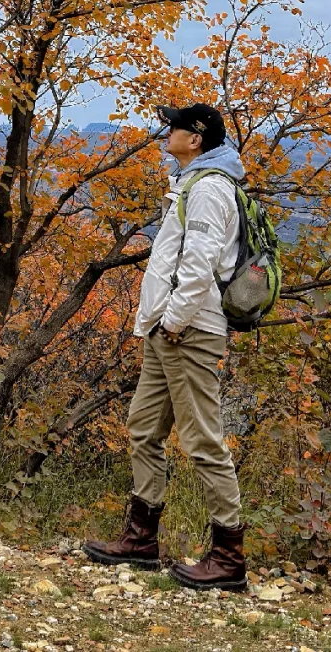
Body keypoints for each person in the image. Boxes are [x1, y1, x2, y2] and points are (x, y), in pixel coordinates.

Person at [82, 103, 249, 592]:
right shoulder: (189, 185)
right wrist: (157, 323)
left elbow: (198, 265)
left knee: (201, 440)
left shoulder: (210, 190)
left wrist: (173, 321)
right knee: (144, 428)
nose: (165, 133)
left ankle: (228, 557)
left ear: (194, 139)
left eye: (173, 127)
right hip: (166, 329)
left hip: (188, 330)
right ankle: (140, 540)